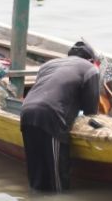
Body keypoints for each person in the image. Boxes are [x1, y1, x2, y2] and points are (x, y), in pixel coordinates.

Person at [19, 40, 101, 192]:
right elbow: (91, 112)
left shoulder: (48, 65)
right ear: (91, 60)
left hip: (26, 112)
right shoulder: (91, 69)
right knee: (57, 181)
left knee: (36, 177)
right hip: (51, 117)